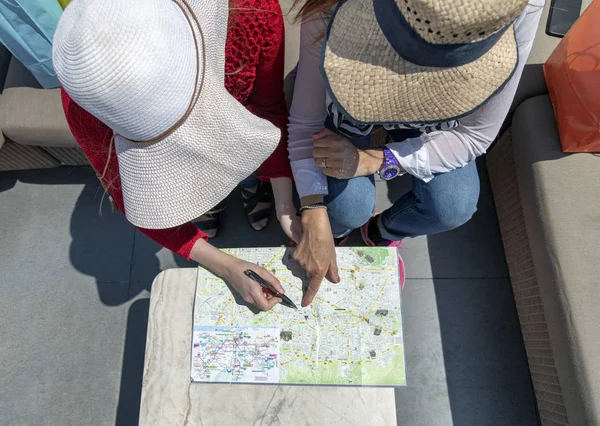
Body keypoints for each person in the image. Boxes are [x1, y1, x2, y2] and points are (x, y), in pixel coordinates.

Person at [288, 0, 544, 306]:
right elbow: (306, 123)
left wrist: (378, 161)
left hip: (434, 126)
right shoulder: (330, 7)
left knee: (453, 206)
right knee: (346, 209)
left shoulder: (516, 7)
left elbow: (475, 136)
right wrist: (313, 211)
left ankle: (380, 230)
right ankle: (336, 233)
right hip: (347, 117)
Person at [54, 0, 301, 311]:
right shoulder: (89, 93)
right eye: (160, 146)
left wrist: (285, 206)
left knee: (248, 169)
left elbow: (267, 108)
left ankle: (250, 184)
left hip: (240, 115)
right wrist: (227, 266)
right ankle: (206, 201)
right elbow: (130, 196)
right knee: (188, 202)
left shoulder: (254, 11)